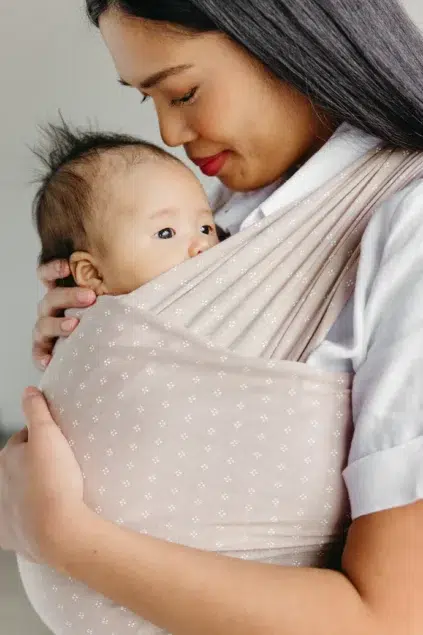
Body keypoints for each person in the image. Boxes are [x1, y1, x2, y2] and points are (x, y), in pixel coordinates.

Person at [1, 1, 423, 634]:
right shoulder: (217, 210)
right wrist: (102, 334)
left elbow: (390, 620)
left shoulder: (408, 224)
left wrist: (64, 536)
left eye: (183, 91)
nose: (170, 134)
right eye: (150, 102)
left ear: (291, 37)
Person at [33, 123, 220, 295]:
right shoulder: (115, 328)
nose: (203, 244)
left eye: (206, 228)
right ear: (93, 274)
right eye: (166, 233)